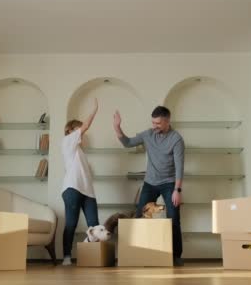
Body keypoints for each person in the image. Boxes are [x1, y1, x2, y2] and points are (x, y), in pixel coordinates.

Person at [113, 105, 185, 266]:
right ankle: (137, 252)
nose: (154, 126)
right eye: (153, 122)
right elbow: (128, 143)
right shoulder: (148, 134)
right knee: (139, 216)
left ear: (167, 121)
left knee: (174, 218)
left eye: (158, 123)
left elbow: (180, 167)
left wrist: (177, 190)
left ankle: (176, 256)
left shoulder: (176, 139)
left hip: (169, 183)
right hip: (150, 182)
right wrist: (117, 127)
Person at [61, 98, 100, 266]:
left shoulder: (79, 152)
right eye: (79, 129)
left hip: (87, 192)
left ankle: (93, 257)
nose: (82, 133)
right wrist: (95, 109)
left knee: (94, 226)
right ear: (71, 131)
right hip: (72, 189)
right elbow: (86, 126)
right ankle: (67, 257)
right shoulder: (67, 141)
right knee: (71, 223)